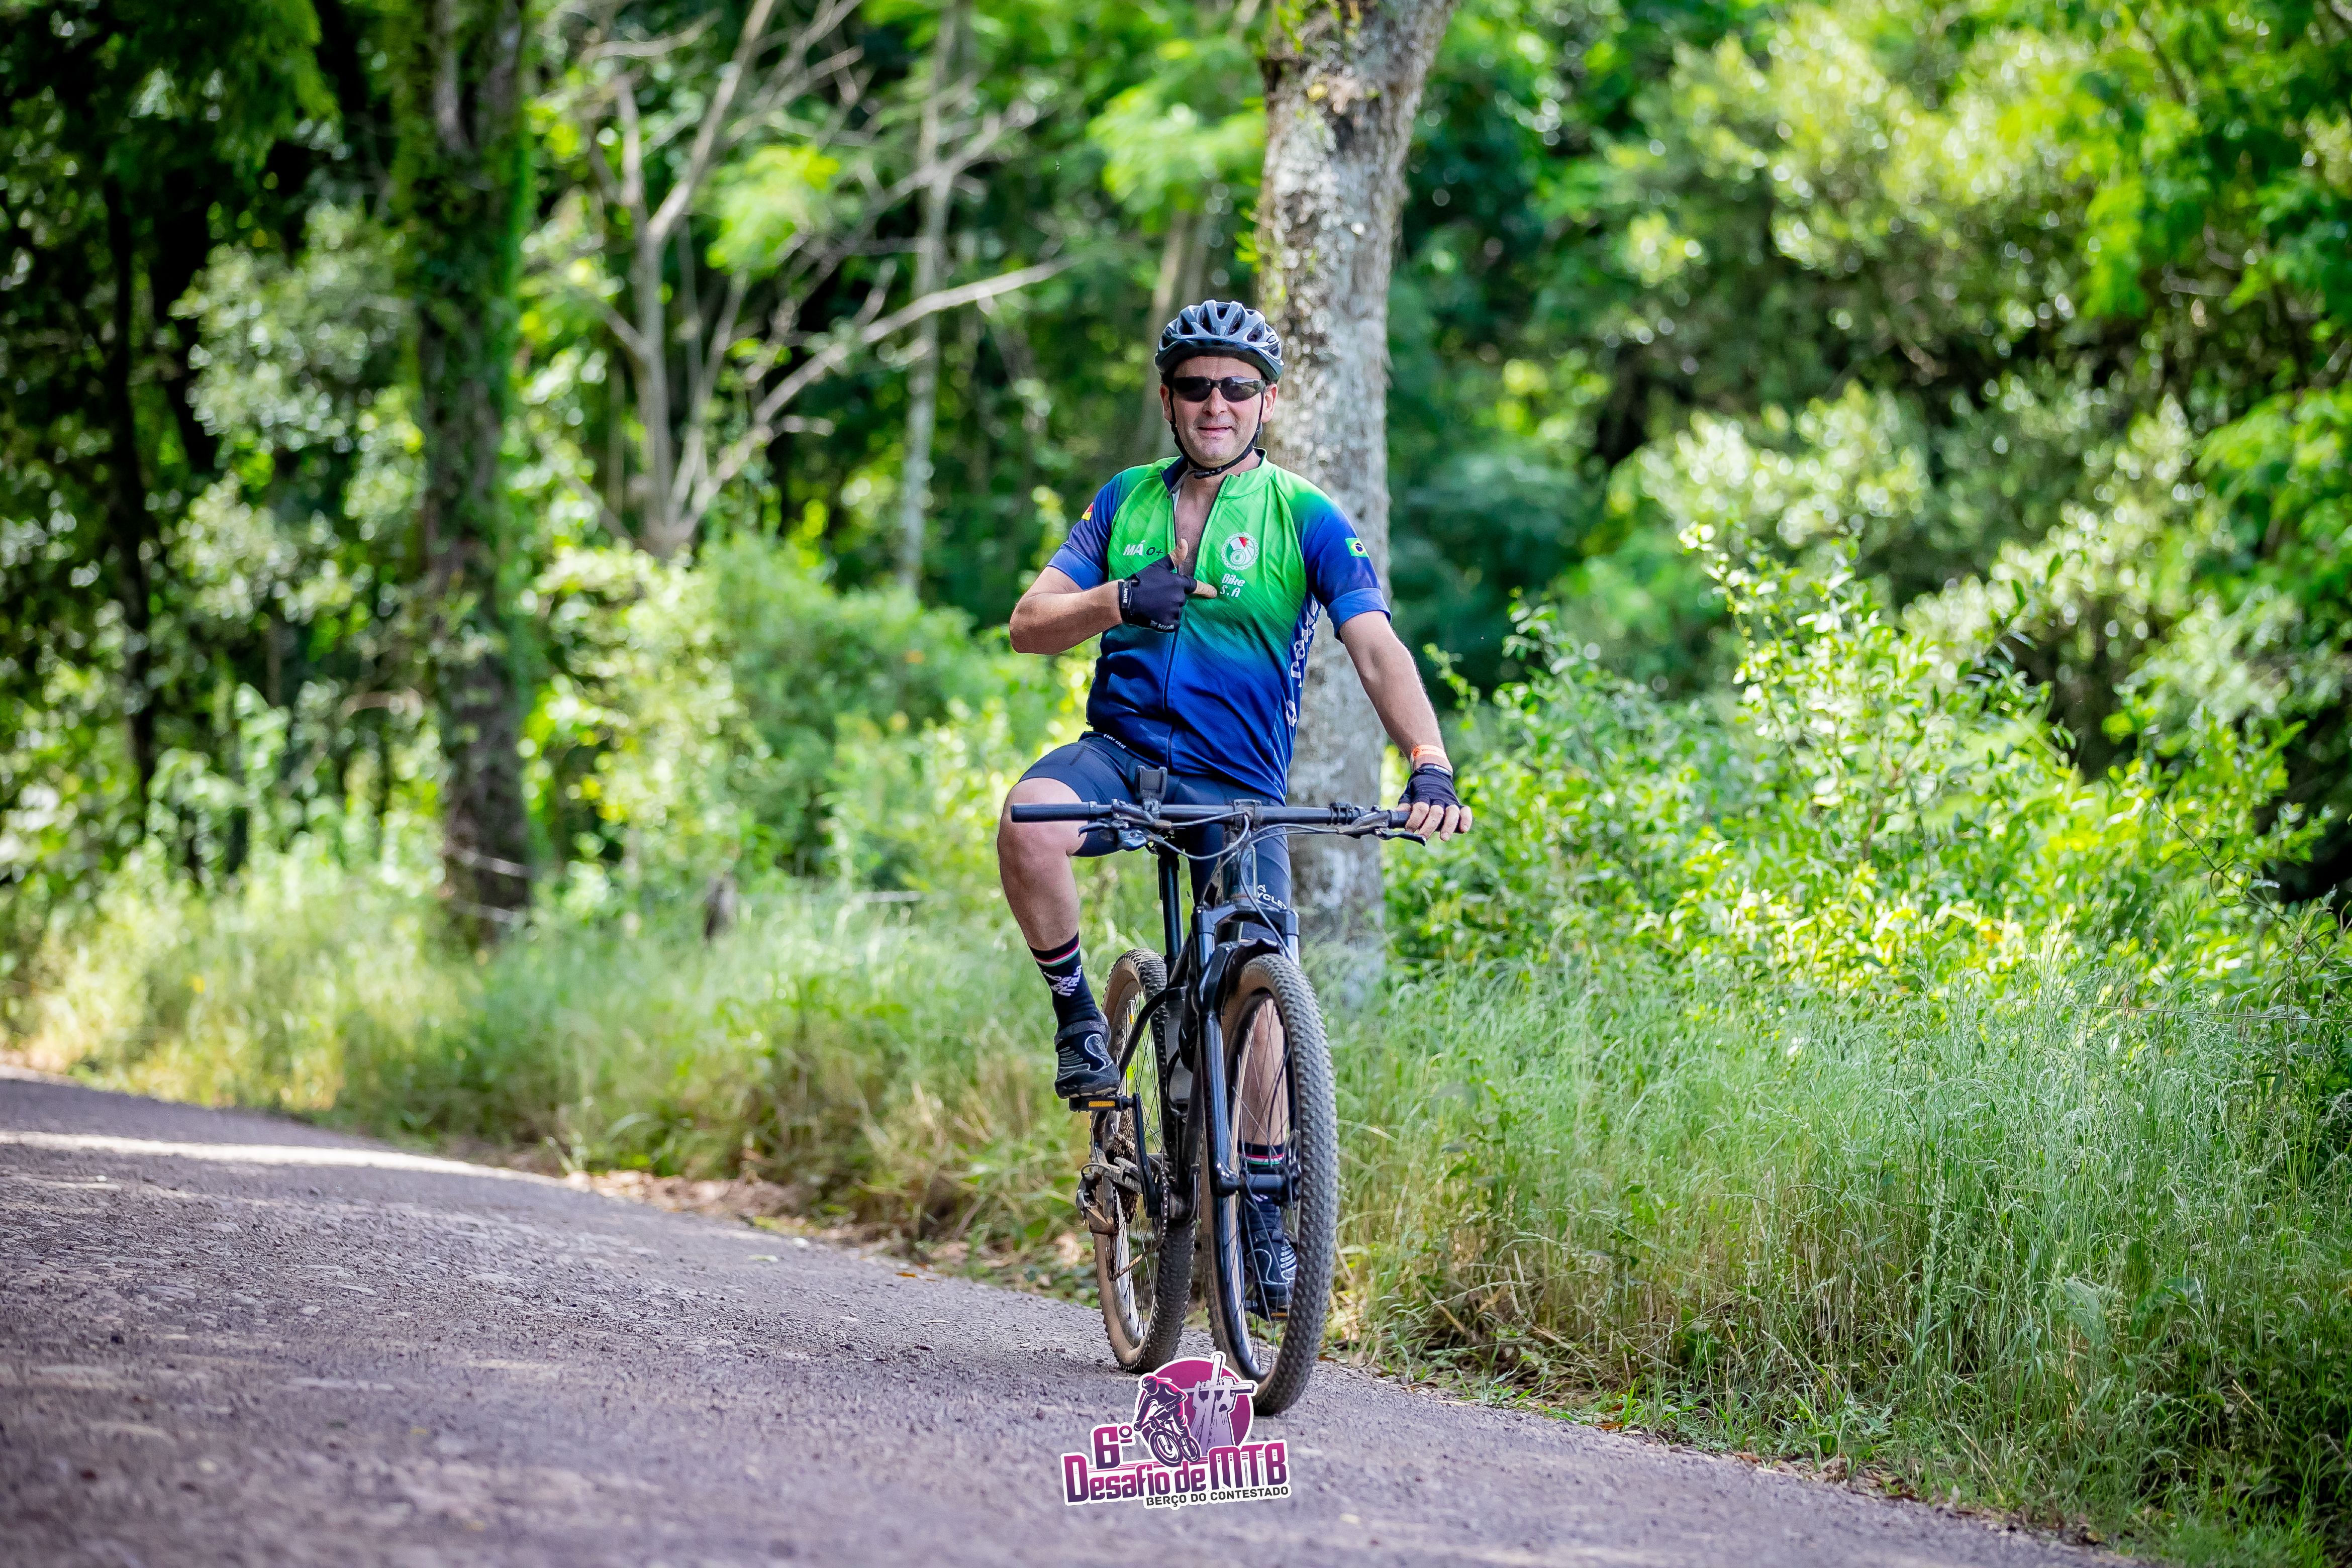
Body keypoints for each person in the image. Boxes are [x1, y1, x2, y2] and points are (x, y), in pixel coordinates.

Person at [996, 300, 1472, 1314]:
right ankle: (1080, 1020)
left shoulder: (1305, 514)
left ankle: (1259, 1208)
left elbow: (1375, 647)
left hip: (1239, 790)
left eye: (1237, 388)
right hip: (1124, 761)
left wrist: (1428, 761)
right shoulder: (1124, 500)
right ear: (1169, 398)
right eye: (1196, 387)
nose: (1216, 404)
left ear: (1267, 402)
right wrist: (1120, 600)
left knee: (1262, 989)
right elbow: (1030, 624)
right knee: (1025, 821)